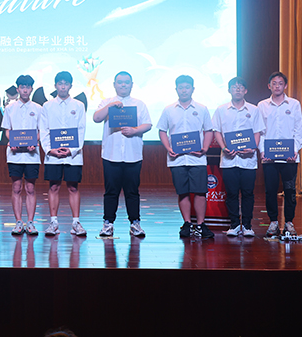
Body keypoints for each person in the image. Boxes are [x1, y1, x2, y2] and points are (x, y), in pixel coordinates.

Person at [93, 71, 152, 238]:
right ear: (114, 84)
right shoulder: (106, 102)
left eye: (127, 82)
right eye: (120, 82)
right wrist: (110, 107)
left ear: (132, 84)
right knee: (111, 191)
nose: (123, 85)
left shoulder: (139, 104)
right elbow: (96, 118)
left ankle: (135, 223)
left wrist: (135, 130)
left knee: (132, 191)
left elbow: (148, 124)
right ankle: (108, 224)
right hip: (111, 154)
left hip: (133, 154)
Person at [156, 74, 215, 239]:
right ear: (176, 89)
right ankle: (187, 223)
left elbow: (208, 130)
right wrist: (168, 148)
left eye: (187, 87)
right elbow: (162, 130)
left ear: (192, 89)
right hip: (177, 159)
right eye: (181, 87)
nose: (184, 90)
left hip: (197, 158)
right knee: (182, 192)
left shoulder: (202, 108)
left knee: (200, 192)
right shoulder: (168, 109)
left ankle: (200, 225)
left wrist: (205, 148)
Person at [213, 77, 266, 237]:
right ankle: (235, 224)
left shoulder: (254, 110)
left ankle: (248, 225)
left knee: (248, 193)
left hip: (248, 160)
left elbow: (257, 132)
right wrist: (224, 148)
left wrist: (253, 148)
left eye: (241, 87)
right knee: (231, 193)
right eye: (234, 87)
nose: (237, 89)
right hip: (229, 160)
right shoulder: (221, 110)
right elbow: (216, 131)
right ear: (229, 90)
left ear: (245, 90)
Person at [39, 71, 87, 237]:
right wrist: (49, 149)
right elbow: (44, 129)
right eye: (60, 83)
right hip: (53, 155)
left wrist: (72, 150)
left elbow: (81, 129)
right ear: (55, 86)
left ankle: (76, 223)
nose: (63, 86)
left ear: (70, 86)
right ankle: (53, 222)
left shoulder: (79, 105)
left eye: (66, 83)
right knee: (54, 186)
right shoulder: (47, 106)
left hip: (73, 155)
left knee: (73, 187)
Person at [258, 71, 302, 237]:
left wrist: (295, 150)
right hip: (269, 157)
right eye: (274, 83)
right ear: (269, 86)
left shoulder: (294, 104)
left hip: (289, 158)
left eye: (280, 83)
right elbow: (260, 131)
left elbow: (299, 129)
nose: (277, 86)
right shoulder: (262, 105)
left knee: (290, 190)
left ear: (285, 86)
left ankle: (289, 222)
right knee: (270, 190)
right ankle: (273, 222)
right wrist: (262, 151)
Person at [1, 74, 42, 236]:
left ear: (31, 89)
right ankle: (18, 222)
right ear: (17, 89)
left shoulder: (38, 108)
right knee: (16, 187)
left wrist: (35, 141)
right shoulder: (10, 108)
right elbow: (7, 130)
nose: (25, 90)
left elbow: (41, 131)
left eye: (28, 87)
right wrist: (12, 141)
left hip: (32, 155)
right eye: (22, 87)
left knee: (30, 188)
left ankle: (30, 222)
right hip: (15, 154)